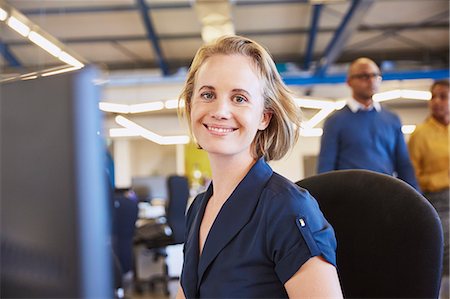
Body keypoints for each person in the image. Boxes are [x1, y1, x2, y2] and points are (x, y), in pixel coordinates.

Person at [175, 35, 342, 298]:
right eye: (207, 94)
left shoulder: (288, 209)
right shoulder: (198, 207)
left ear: (264, 117)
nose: (220, 110)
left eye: (239, 98)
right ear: (190, 104)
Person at [317, 57, 419, 190]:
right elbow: (326, 168)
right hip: (350, 197)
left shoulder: (392, 119)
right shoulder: (335, 121)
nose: (371, 80)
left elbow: (403, 164)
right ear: (349, 82)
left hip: (386, 195)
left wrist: (417, 200)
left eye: (375, 75)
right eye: (364, 76)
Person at [408, 79, 449, 298]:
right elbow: (413, 174)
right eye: (433, 97)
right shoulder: (420, 134)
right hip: (436, 201)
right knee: (441, 258)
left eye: (443, 97)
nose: (436, 102)